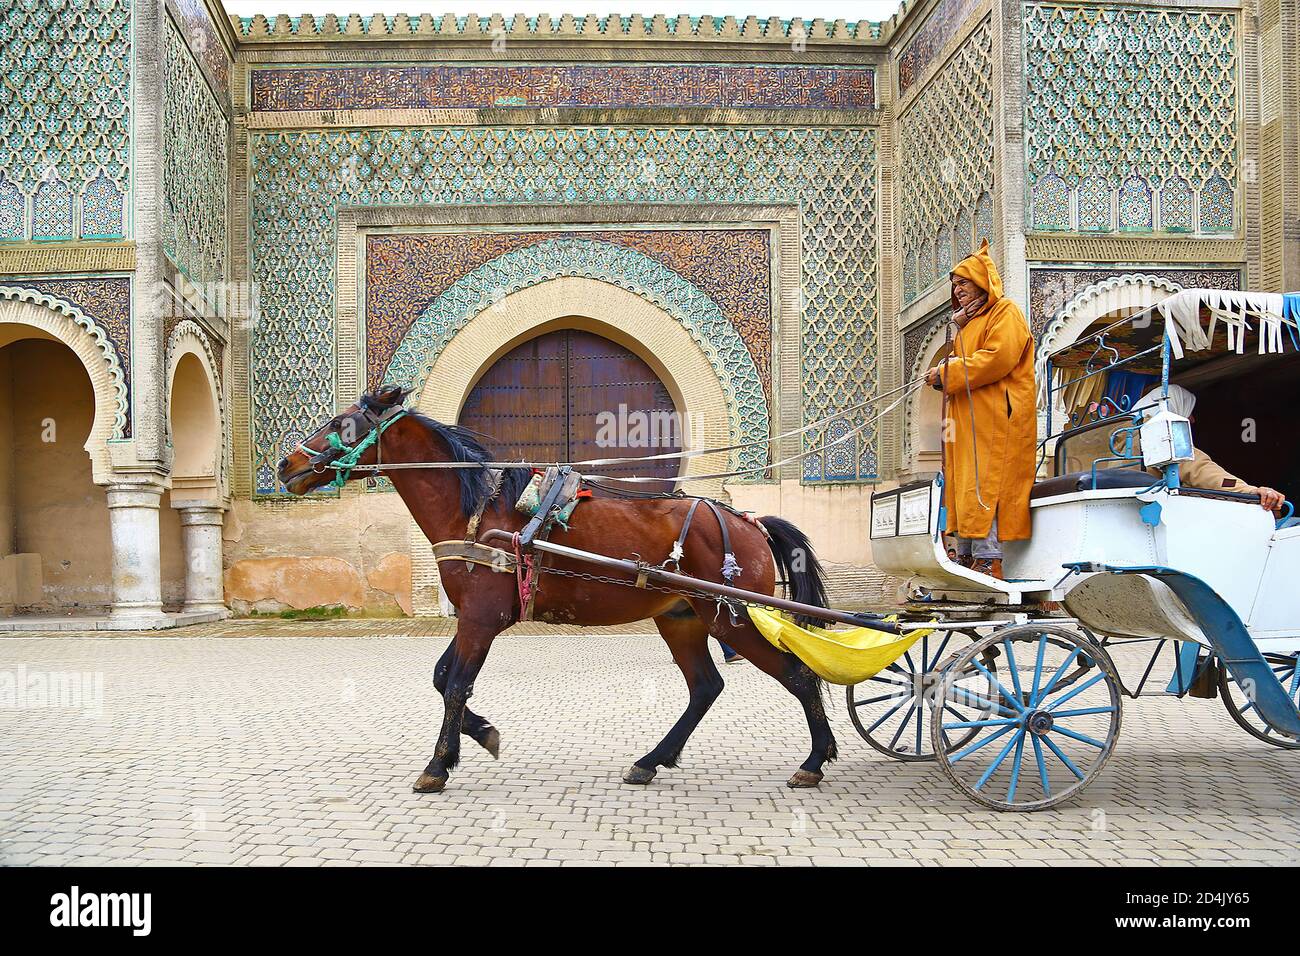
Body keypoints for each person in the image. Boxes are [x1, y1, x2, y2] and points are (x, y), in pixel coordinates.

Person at [925, 240, 1037, 580]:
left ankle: (990, 559)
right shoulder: (967, 325)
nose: (958, 290)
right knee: (964, 485)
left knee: (984, 484)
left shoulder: (1005, 313)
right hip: (969, 421)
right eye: (955, 285)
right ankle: (967, 555)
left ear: (982, 282)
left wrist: (946, 373)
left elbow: (997, 359)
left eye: (963, 282)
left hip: (996, 420)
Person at [1130, 384, 1287, 515]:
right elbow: (1201, 470)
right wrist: (1249, 491)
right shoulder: (1161, 435)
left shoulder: (1116, 432)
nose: (1192, 419)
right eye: (1188, 411)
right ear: (1173, 408)